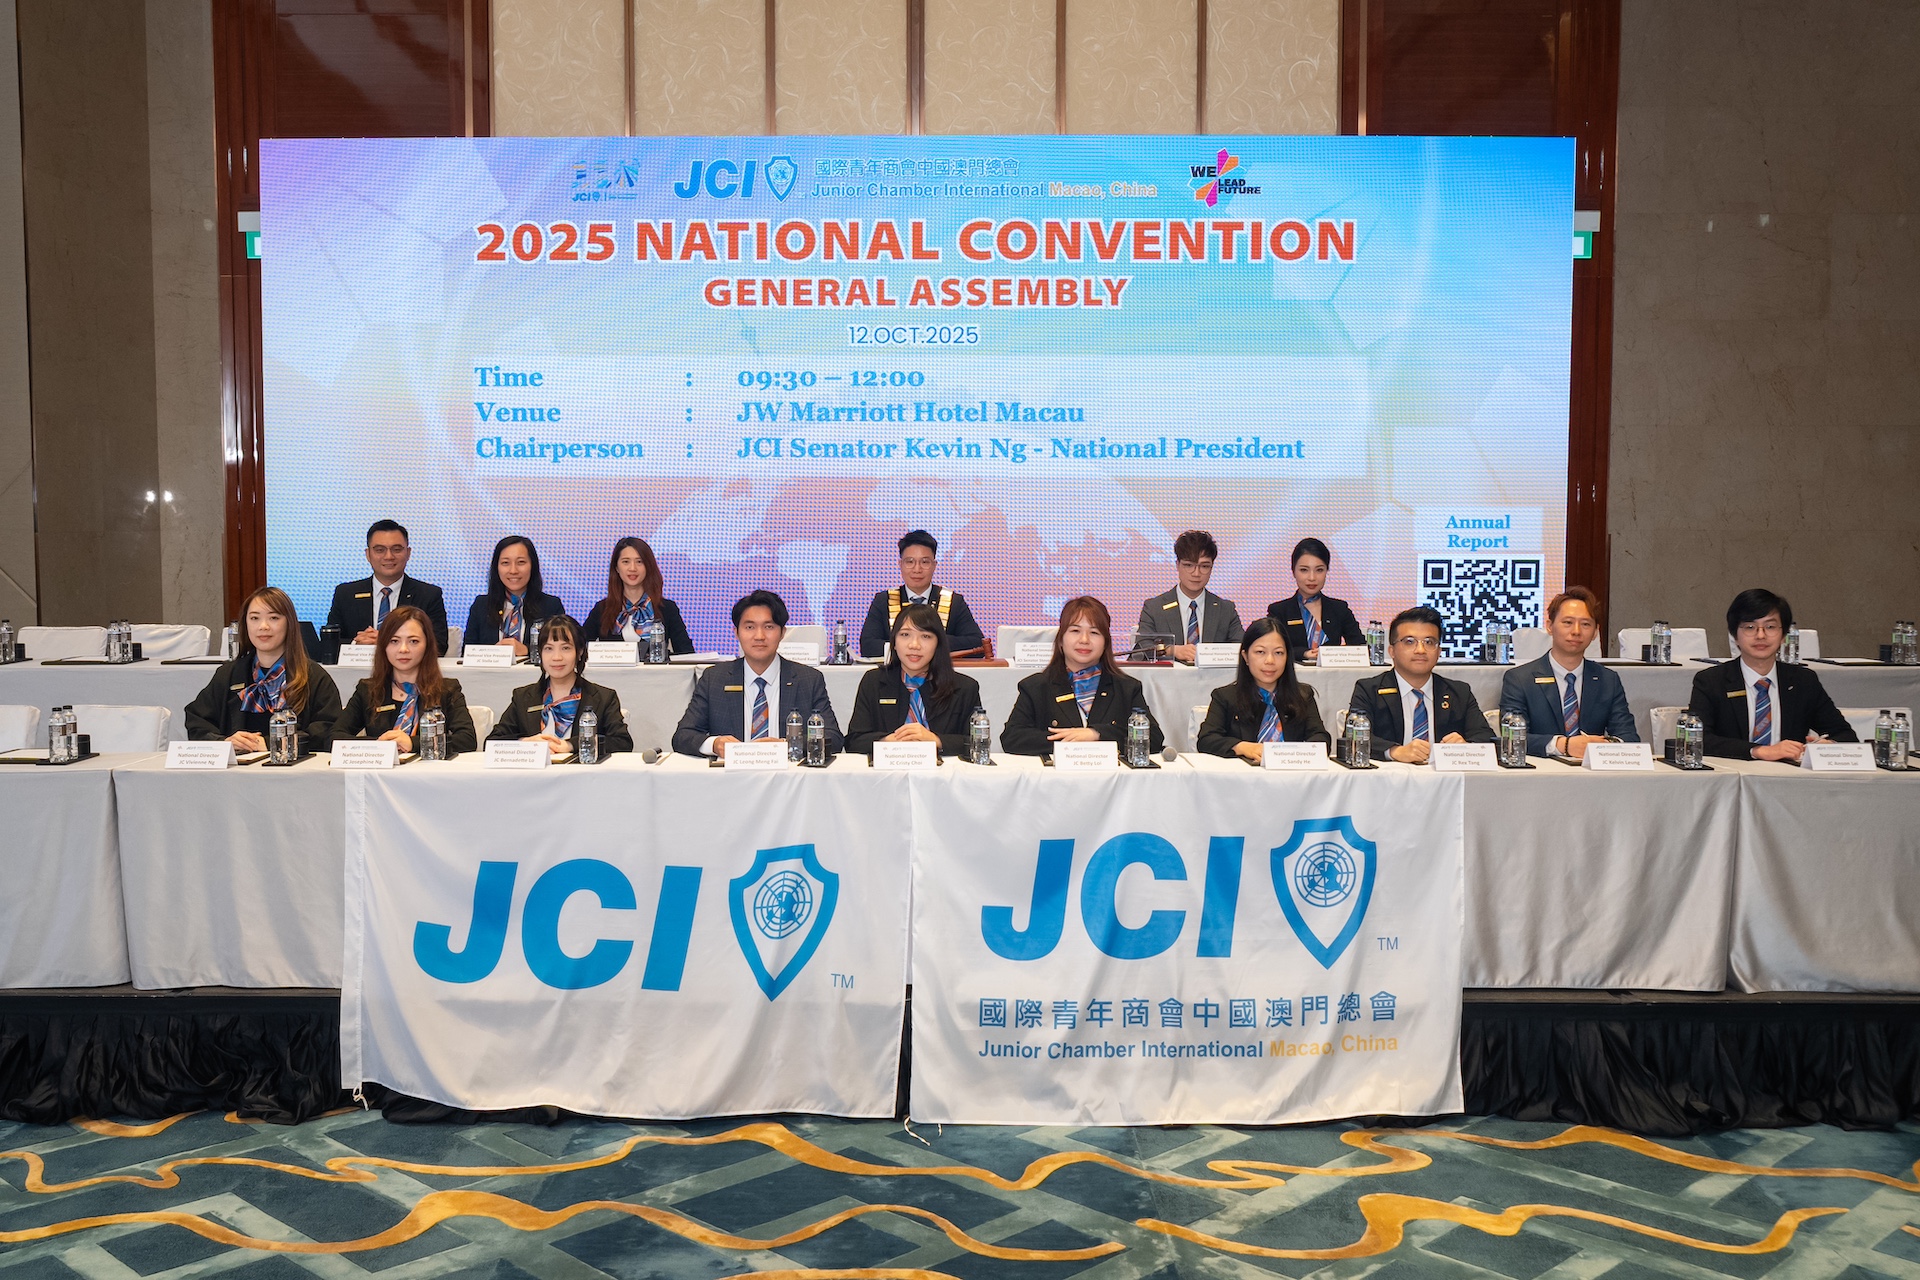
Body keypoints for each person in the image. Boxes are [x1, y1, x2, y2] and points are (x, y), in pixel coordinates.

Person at [1686, 588, 1855, 761]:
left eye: (1770, 627)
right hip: (1735, 773)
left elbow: (1845, 734)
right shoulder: (1711, 681)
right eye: (1750, 627)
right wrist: (1758, 751)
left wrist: (1829, 745)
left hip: (1789, 775)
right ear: (1735, 636)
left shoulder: (1803, 681)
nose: (1761, 635)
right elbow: (1698, 739)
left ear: (1783, 636)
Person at [673, 589, 843, 758]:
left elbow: (834, 739)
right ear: (736, 633)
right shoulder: (715, 679)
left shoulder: (808, 679)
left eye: (769, 627)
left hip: (788, 772)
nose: (759, 636)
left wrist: (788, 745)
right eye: (750, 627)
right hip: (732, 773)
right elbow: (682, 736)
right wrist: (715, 744)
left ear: (782, 633)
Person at [1001, 596, 1165, 758]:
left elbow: (1154, 738)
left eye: (1094, 632)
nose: (1084, 640)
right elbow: (1012, 738)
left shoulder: (1126, 687)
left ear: (1106, 642)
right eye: (1075, 631)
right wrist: (1070, 742)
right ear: (1061, 639)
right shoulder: (1036, 686)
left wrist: (1096, 734)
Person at [185, 585, 342, 754]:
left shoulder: (314, 676)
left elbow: (328, 729)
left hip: (295, 768)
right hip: (238, 769)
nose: (263, 626)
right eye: (254, 618)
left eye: (273, 618)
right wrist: (224, 742)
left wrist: (273, 743)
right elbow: (197, 721)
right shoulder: (229, 674)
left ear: (289, 623)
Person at [1498, 586, 1637, 758]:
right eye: (1568, 623)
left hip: (1593, 769)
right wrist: (1563, 745)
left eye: (1585, 624)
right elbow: (1511, 737)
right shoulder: (1520, 679)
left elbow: (1628, 736)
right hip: (1542, 770)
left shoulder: (1607, 680)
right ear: (1550, 626)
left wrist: (1604, 746)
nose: (1576, 631)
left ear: (1595, 632)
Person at [1348, 606, 1495, 762]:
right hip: (1390, 775)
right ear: (1392, 651)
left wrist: (1467, 747)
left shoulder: (1458, 692)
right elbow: (1352, 737)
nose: (1420, 650)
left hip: (1444, 776)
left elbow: (1485, 737)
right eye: (1409, 642)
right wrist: (1394, 751)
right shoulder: (1369, 690)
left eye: (1429, 642)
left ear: (1439, 652)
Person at [845, 603, 986, 756]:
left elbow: (977, 742)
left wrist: (936, 740)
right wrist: (888, 741)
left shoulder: (965, 687)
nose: (914, 645)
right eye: (905, 635)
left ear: (938, 643)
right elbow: (854, 741)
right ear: (894, 642)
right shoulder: (873, 681)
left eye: (925, 636)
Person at [333, 605, 478, 753]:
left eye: (413, 641)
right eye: (394, 641)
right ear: (383, 646)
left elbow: (467, 740)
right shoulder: (368, 690)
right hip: (380, 767)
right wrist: (380, 744)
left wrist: (414, 743)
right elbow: (334, 737)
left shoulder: (447, 690)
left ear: (427, 645)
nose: (403, 649)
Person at [489, 615, 633, 757]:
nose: (557, 657)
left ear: (579, 652)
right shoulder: (523, 697)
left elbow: (622, 742)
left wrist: (571, 745)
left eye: (565, 648)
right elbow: (492, 741)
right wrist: (525, 743)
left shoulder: (603, 697)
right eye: (548, 649)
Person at [1196, 616, 1329, 759]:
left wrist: (1299, 753)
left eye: (1278, 653)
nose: (1270, 660)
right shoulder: (1225, 697)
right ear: (1245, 656)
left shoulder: (1303, 695)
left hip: (1291, 770)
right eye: (1260, 652)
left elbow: (1321, 737)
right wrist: (1242, 747)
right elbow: (1206, 740)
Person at [325, 520, 449, 654]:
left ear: (408, 553)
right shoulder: (345, 594)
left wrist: (387, 641)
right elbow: (329, 643)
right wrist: (356, 644)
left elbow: (439, 645)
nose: (389, 556)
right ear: (368, 554)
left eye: (396, 550)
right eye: (380, 550)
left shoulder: (428, 595)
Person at [858, 530, 985, 657]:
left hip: (939, 669)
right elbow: (868, 645)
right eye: (910, 562)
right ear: (900, 564)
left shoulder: (953, 601)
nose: (917, 569)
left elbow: (977, 644)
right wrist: (908, 646)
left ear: (934, 565)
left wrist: (933, 641)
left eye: (924, 562)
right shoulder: (884, 600)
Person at [1134, 529, 1245, 662]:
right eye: (1189, 565)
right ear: (1177, 565)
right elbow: (1142, 648)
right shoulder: (1154, 608)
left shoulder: (1225, 610)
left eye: (1204, 566)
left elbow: (1242, 648)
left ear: (1212, 567)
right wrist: (1172, 650)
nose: (1196, 573)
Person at [580, 537, 693, 654]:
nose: (632, 568)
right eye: (626, 562)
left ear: (648, 566)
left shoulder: (667, 609)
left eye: (639, 562)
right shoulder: (602, 609)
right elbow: (579, 649)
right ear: (616, 567)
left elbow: (687, 653)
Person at [464, 535, 569, 655]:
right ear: (496, 567)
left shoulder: (551, 606)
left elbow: (560, 650)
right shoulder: (481, 605)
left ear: (532, 566)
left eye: (521, 562)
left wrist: (527, 650)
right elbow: (467, 652)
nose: (513, 570)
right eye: (505, 563)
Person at [1267, 536, 1366, 663]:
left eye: (1319, 570)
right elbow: (1271, 648)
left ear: (1327, 571)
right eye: (1304, 570)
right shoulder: (1279, 611)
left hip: (1332, 674)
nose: (1312, 577)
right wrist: (1304, 653)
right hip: (1294, 674)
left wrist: (1334, 654)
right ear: (1293, 571)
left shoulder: (1339, 609)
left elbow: (1360, 647)